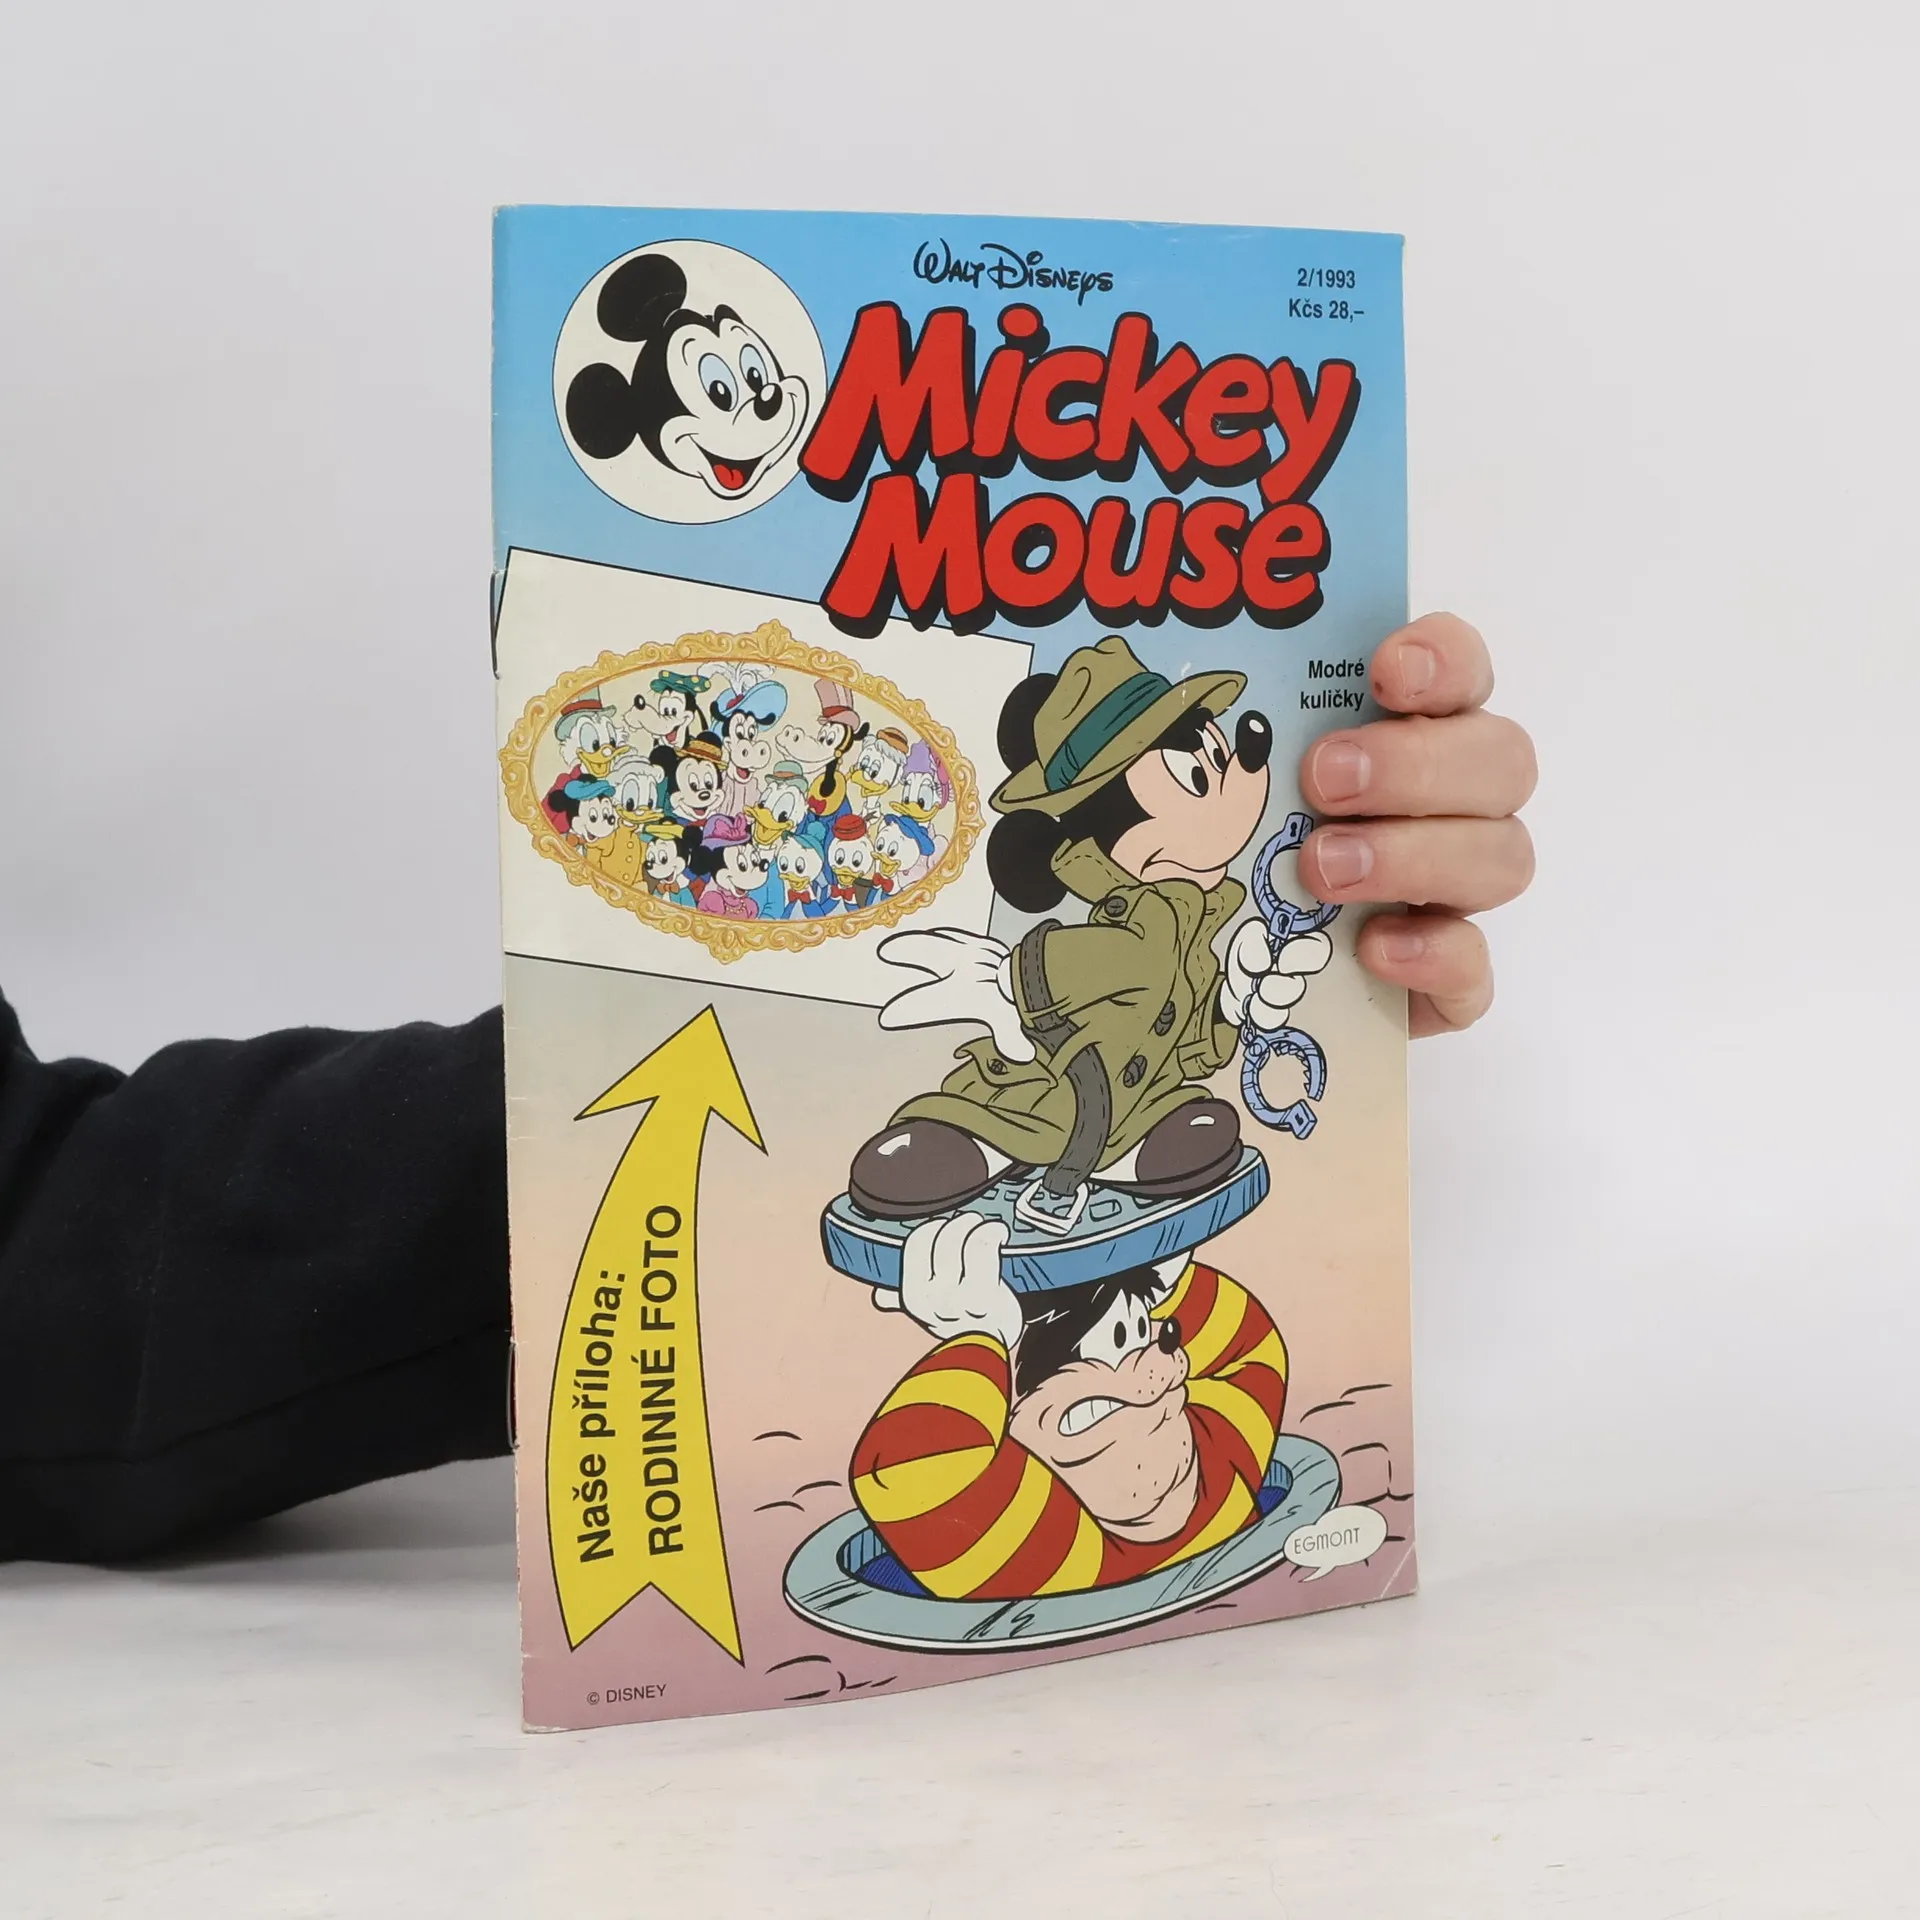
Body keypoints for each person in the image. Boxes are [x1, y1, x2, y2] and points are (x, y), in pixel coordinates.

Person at [0, 614, 1534, 1562]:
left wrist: (1319, 972)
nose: (1238, 770)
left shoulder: (1204, 912)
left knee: (1127, 1114)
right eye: (1194, 760)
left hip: (1112, 1128)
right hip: (1043, 1104)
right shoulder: (1091, 937)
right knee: (991, 1109)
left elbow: (50, 1234)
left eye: (1240, 743)